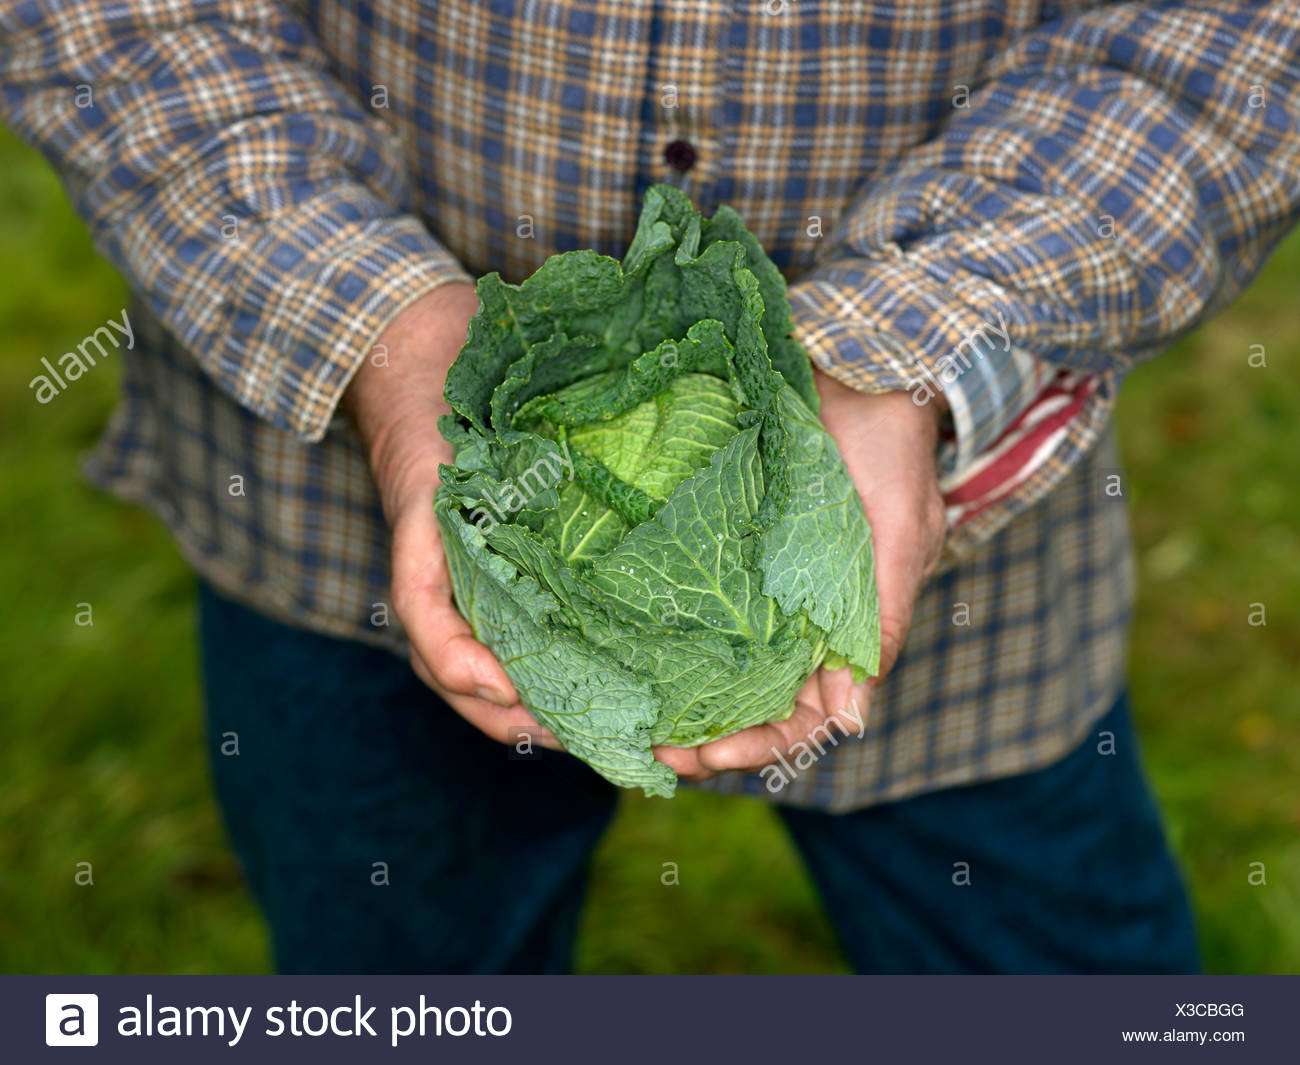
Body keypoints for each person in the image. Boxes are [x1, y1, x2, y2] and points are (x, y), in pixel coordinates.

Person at [3, 1, 1295, 974]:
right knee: (393, 976)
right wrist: (384, 339)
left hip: (959, 571)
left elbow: (1229, 38)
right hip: (332, 536)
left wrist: (910, 348)